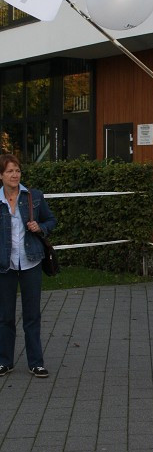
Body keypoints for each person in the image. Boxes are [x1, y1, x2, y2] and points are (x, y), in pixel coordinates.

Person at [0, 153, 56, 379]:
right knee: (5, 316)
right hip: (5, 265)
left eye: (17, 170)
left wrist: (39, 227)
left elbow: (51, 220)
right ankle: (4, 361)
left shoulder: (34, 196)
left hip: (31, 261)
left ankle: (36, 363)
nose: (15, 175)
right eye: (10, 171)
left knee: (32, 315)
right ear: (1, 175)